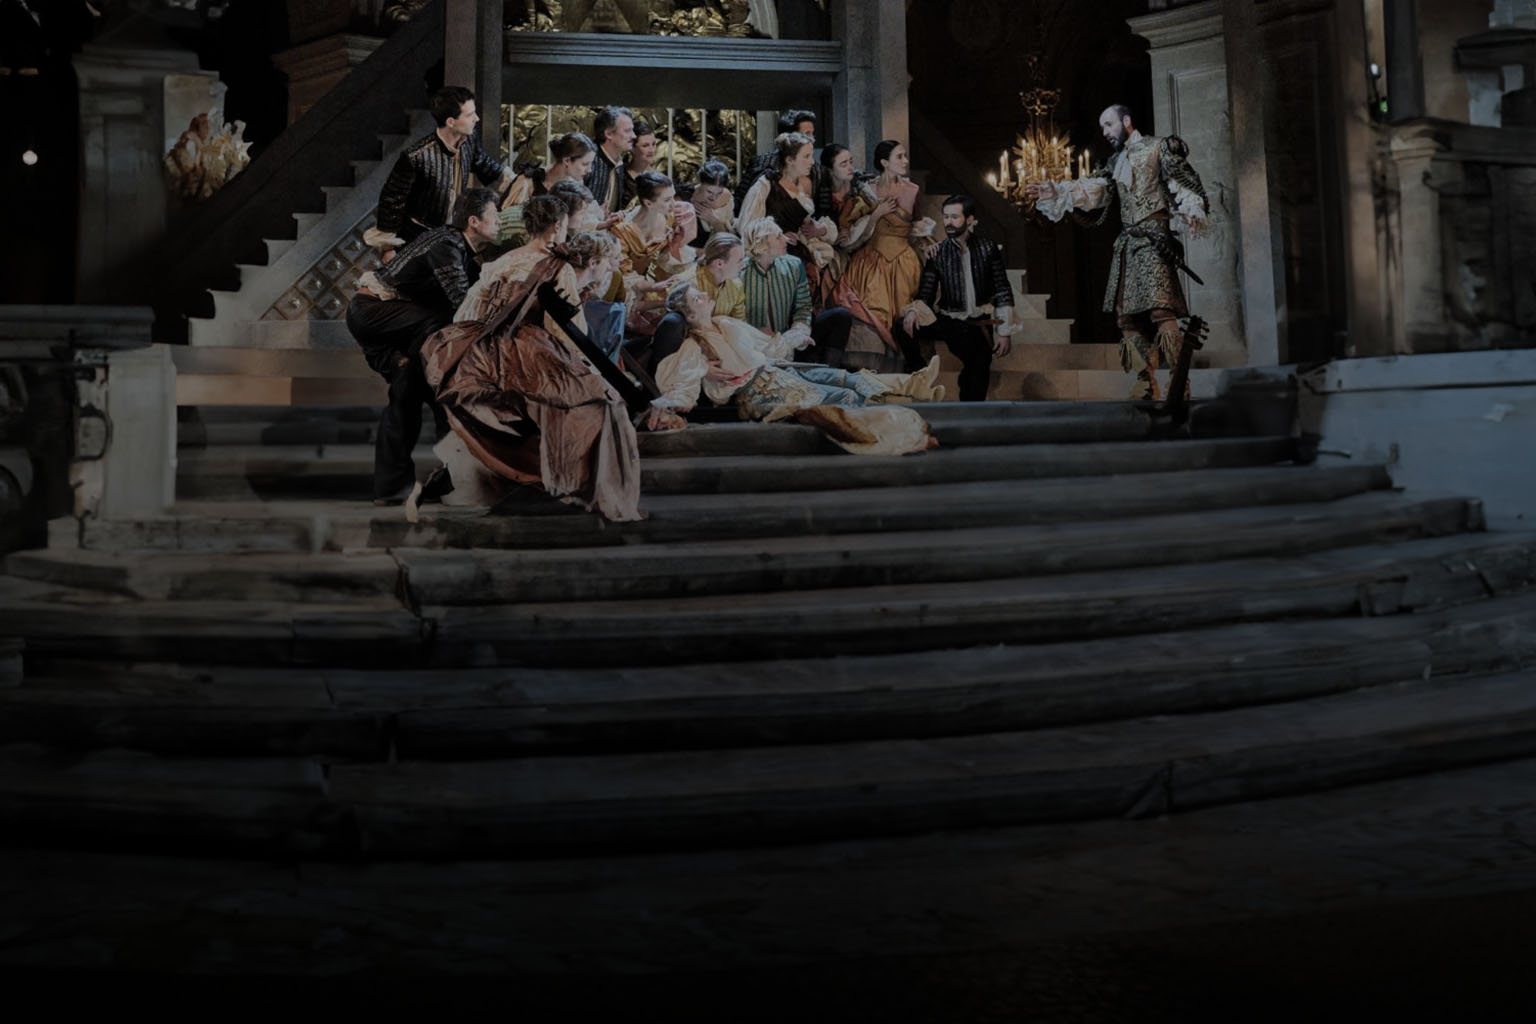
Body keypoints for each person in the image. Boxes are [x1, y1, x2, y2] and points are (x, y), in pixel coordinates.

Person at [419, 231, 670, 522]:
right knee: (592, 407)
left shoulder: (560, 278)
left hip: (530, 356)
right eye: (611, 261)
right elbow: (565, 338)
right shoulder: (558, 277)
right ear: (594, 261)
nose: (614, 268)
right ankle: (573, 485)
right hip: (523, 358)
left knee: (598, 402)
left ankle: (569, 483)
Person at [1028, 103, 1209, 399]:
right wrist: (1059, 191)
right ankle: (1145, 381)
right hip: (1127, 243)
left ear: (1126, 120)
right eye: (1102, 127)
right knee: (1124, 317)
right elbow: (1096, 190)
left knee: (1162, 310)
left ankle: (1180, 382)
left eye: (1108, 125)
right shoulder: (1115, 162)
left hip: (1153, 239)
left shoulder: (1158, 147)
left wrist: (1190, 209)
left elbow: (1182, 182)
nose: (1105, 132)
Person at [652, 281, 941, 456]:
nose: (704, 295)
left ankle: (912, 386)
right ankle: (898, 417)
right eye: (696, 298)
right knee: (843, 398)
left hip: (776, 370)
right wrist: (698, 375)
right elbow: (680, 380)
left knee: (843, 377)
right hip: (759, 391)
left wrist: (795, 338)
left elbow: (765, 345)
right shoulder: (695, 346)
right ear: (689, 314)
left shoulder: (726, 323)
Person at [346, 187, 501, 504]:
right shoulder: (446, 245)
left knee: (410, 392)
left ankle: (415, 484)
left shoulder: (459, 246)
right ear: (473, 221)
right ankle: (442, 477)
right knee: (441, 331)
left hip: (397, 323)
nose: (500, 222)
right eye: (495, 215)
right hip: (375, 314)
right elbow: (461, 306)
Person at [898, 194, 1016, 402]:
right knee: (901, 326)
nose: (948, 222)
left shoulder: (988, 248)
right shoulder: (938, 252)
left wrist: (1004, 332)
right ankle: (918, 370)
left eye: (954, 217)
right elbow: (925, 293)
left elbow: (1002, 289)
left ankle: (971, 414)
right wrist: (914, 311)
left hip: (977, 322)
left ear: (969, 220)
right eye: (946, 217)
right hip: (948, 320)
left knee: (978, 367)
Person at [370, 86, 513, 257]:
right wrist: (388, 249)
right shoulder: (416, 157)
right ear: (451, 122)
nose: (477, 118)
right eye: (469, 115)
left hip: (452, 234)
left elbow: (483, 163)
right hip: (417, 239)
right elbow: (391, 200)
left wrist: (518, 180)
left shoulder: (469, 140)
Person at [839, 139, 935, 356]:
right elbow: (849, 227)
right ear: (884, 162)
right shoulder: (867, 192)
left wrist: (926, 244)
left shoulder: (912, 190)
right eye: (899, 157)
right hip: (870, 264)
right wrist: (877, 213)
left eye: (905, 156)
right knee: (873, 316)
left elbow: (919, 227)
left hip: (904, 263)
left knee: (903, 318)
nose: (905, 161)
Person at [740, 218, 851, 364]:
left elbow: (804, 307)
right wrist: (759, 334)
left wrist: (798, 333)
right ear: (763, 244)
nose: (785, 239)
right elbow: (736, 317)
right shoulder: (741, 273)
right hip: (758, 345)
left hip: (791, 339)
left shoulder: (794, 265)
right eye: (779, 236)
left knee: (841, 316)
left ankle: (830, 370)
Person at [645, 230, 749, 371]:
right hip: (683, 365)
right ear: (719, 264)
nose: (744, 264)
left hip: (724, 357)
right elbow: (670, 336)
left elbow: (738, 326)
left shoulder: (736, 286)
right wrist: (701, 368)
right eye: (739, 260)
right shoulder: (685, 285)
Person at [735, 131, 836, 271]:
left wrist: (818, 229)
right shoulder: (766, 184)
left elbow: (806, 225)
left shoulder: (804, 185)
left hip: (795, 255)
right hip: (769, 259)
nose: (812, 162)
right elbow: (747, 227)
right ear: (790, 160)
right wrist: (778, 235)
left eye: (811, 156)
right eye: (806, 156)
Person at [609, 170, 697, 331]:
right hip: (627, 286)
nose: (673, 204)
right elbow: (626, 275)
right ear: (648, 203)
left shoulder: (671, 216)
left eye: (673, 196)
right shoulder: (621, 231)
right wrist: (655, 287)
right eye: (667, 200)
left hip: (656, 273)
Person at [498, 132, 597, 246]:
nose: (589, 170)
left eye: (590, 164)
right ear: (567, 160)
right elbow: (506, 223)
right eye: (585, 164)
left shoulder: (575, 185)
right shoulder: (528, 182)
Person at [735, 108, 816, 211]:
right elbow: (740, 200)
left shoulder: (818, 171)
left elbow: (824, 209)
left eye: (813, 133)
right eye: (807, 134)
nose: (812, 139)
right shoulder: (761, 165)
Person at [584, 105, 636, 216]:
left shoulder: (619, 163)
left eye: (633, 130)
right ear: (608, 134)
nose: (634, 136)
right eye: (627, 131)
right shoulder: (588, 161)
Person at [686, 159, 735, 246]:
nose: (713, 197)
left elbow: (730, 240)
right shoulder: (687, 196)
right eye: (709, 192)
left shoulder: (726, 198)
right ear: (700, 182)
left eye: (719, 193)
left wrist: (713, 220)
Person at [620, 119, 659, 208]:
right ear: (632, 148)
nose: (652, 150)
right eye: (645, 145)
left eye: (654, 144)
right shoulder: (621, 177)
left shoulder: (658, 178)